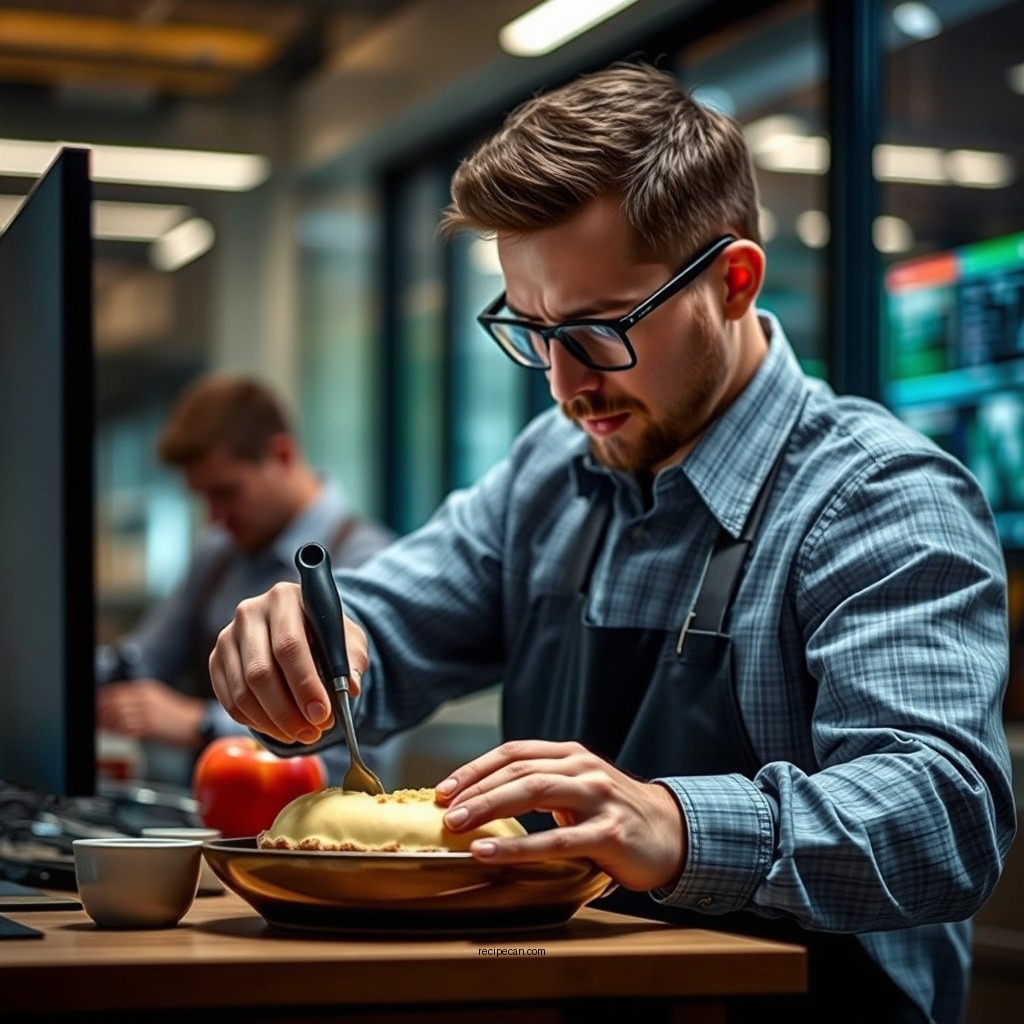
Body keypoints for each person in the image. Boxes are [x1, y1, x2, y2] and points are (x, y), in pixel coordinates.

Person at [208, 62, 1015, 1023]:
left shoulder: (877, 497)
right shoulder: (554, 470)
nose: (563, 384)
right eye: (534, 329)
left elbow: (944, 817)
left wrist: (672, 823)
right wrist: (311, 646)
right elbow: (389, 620)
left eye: (598, 329)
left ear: (733, 281)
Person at [96, 373, 395, 787]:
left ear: (282, 455)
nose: (215, 516)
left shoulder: (369, 560)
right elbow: (147, 657)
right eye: (203, 498)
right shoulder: (217, 554)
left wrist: (200, 724)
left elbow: (356, 736)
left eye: (227, 492)